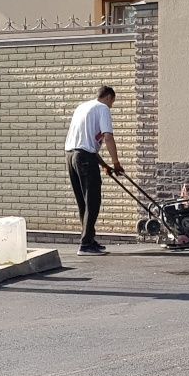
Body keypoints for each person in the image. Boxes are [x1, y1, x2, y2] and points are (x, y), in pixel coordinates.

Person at [64, 85, 124, 256]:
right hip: (84, 158)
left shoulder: (82, 107)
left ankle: (89, 238)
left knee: (83, 201)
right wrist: (116, 163)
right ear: (108, 97)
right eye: (112, 101)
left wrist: (105, 165)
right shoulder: (102, 108)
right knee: (93, 200)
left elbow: (86, 145)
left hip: (71, 156)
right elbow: (108, 136)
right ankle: (85, 245)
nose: (111, 106)